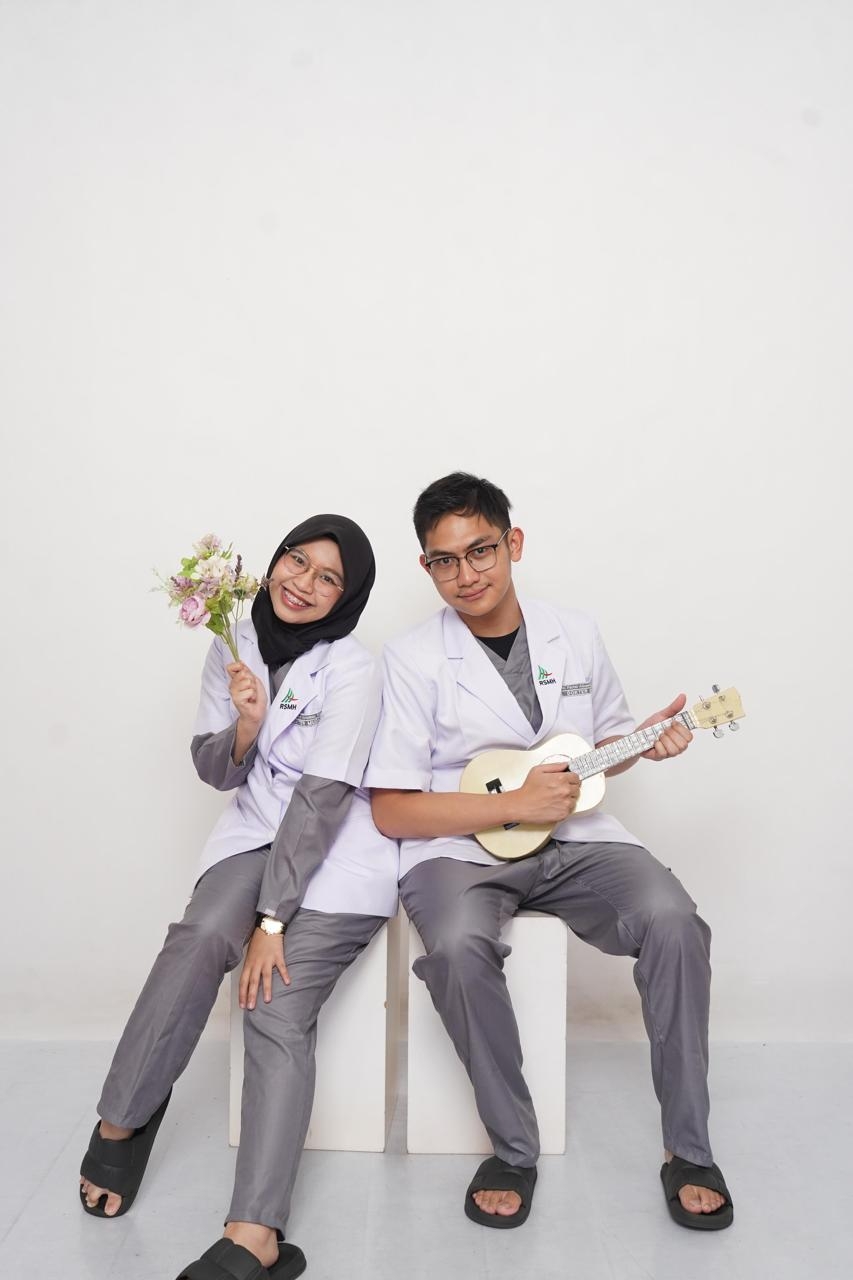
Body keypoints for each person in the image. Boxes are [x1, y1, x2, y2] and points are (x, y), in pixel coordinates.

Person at [366, 473, 733, 1232]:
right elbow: (392, 808)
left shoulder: (576, 633)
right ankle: (512, 1148)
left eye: (481, 550)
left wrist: (644, 745)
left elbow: (601, 753)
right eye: (444, 561)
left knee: (674, 922)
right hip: (457, 851)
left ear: (514, 543)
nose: (466, 574)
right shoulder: (409, 658)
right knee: (458, 948)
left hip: (574, 840)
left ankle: (688, 1148)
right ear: (426, 567)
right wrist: (512, 806)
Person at [79, 514, 399, 1280]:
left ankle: (255, 1233)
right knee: (196, 941)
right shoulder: (233, 640)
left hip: (337, 855)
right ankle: (123, 1120)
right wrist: (247, 727)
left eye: (329, 578)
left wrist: (272, 920)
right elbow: (214, 770)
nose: (304, 583)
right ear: (274, 560)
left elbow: (321, 801)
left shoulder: (353, 669)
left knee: (270, 1002)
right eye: (297, 560)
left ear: (347, 597)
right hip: (254, 833)